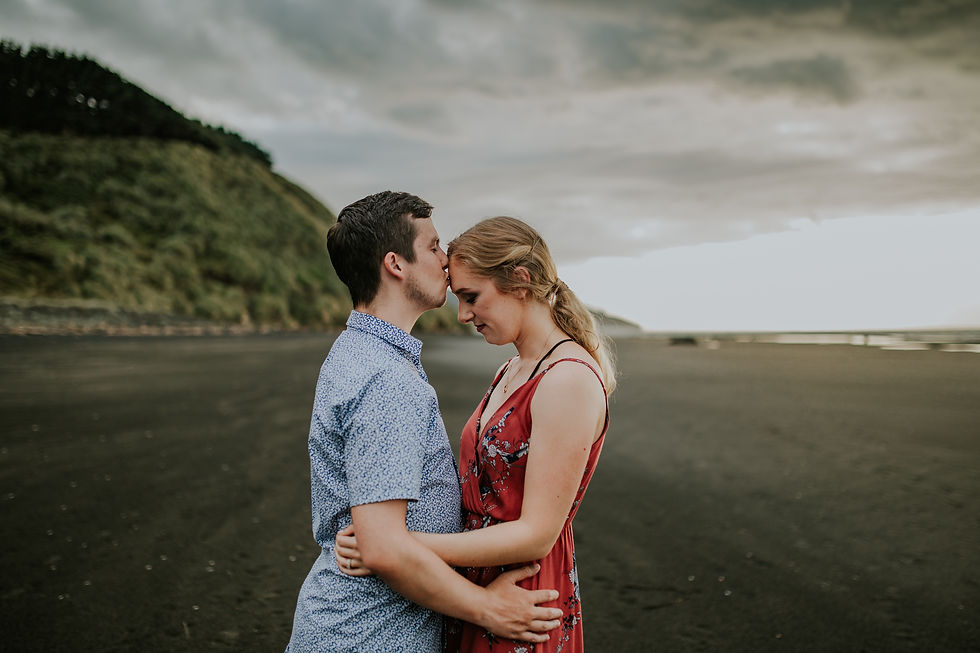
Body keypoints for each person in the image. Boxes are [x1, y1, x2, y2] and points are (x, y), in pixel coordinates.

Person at [286, 195, 564, 652]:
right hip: (370, 633)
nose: (446, 261)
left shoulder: (364, 354)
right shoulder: (385, 378)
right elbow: (382, 549)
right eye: (434, 247)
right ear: (395, 264)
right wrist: (486, 608)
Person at [336, 215, 615, 652]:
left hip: (522, 592)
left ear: (520, 281)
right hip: (475, 584)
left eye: (472, 297)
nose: (463, 314)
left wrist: (400, 545)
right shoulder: (514, 367)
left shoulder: (567, 380)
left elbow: (537, 533)